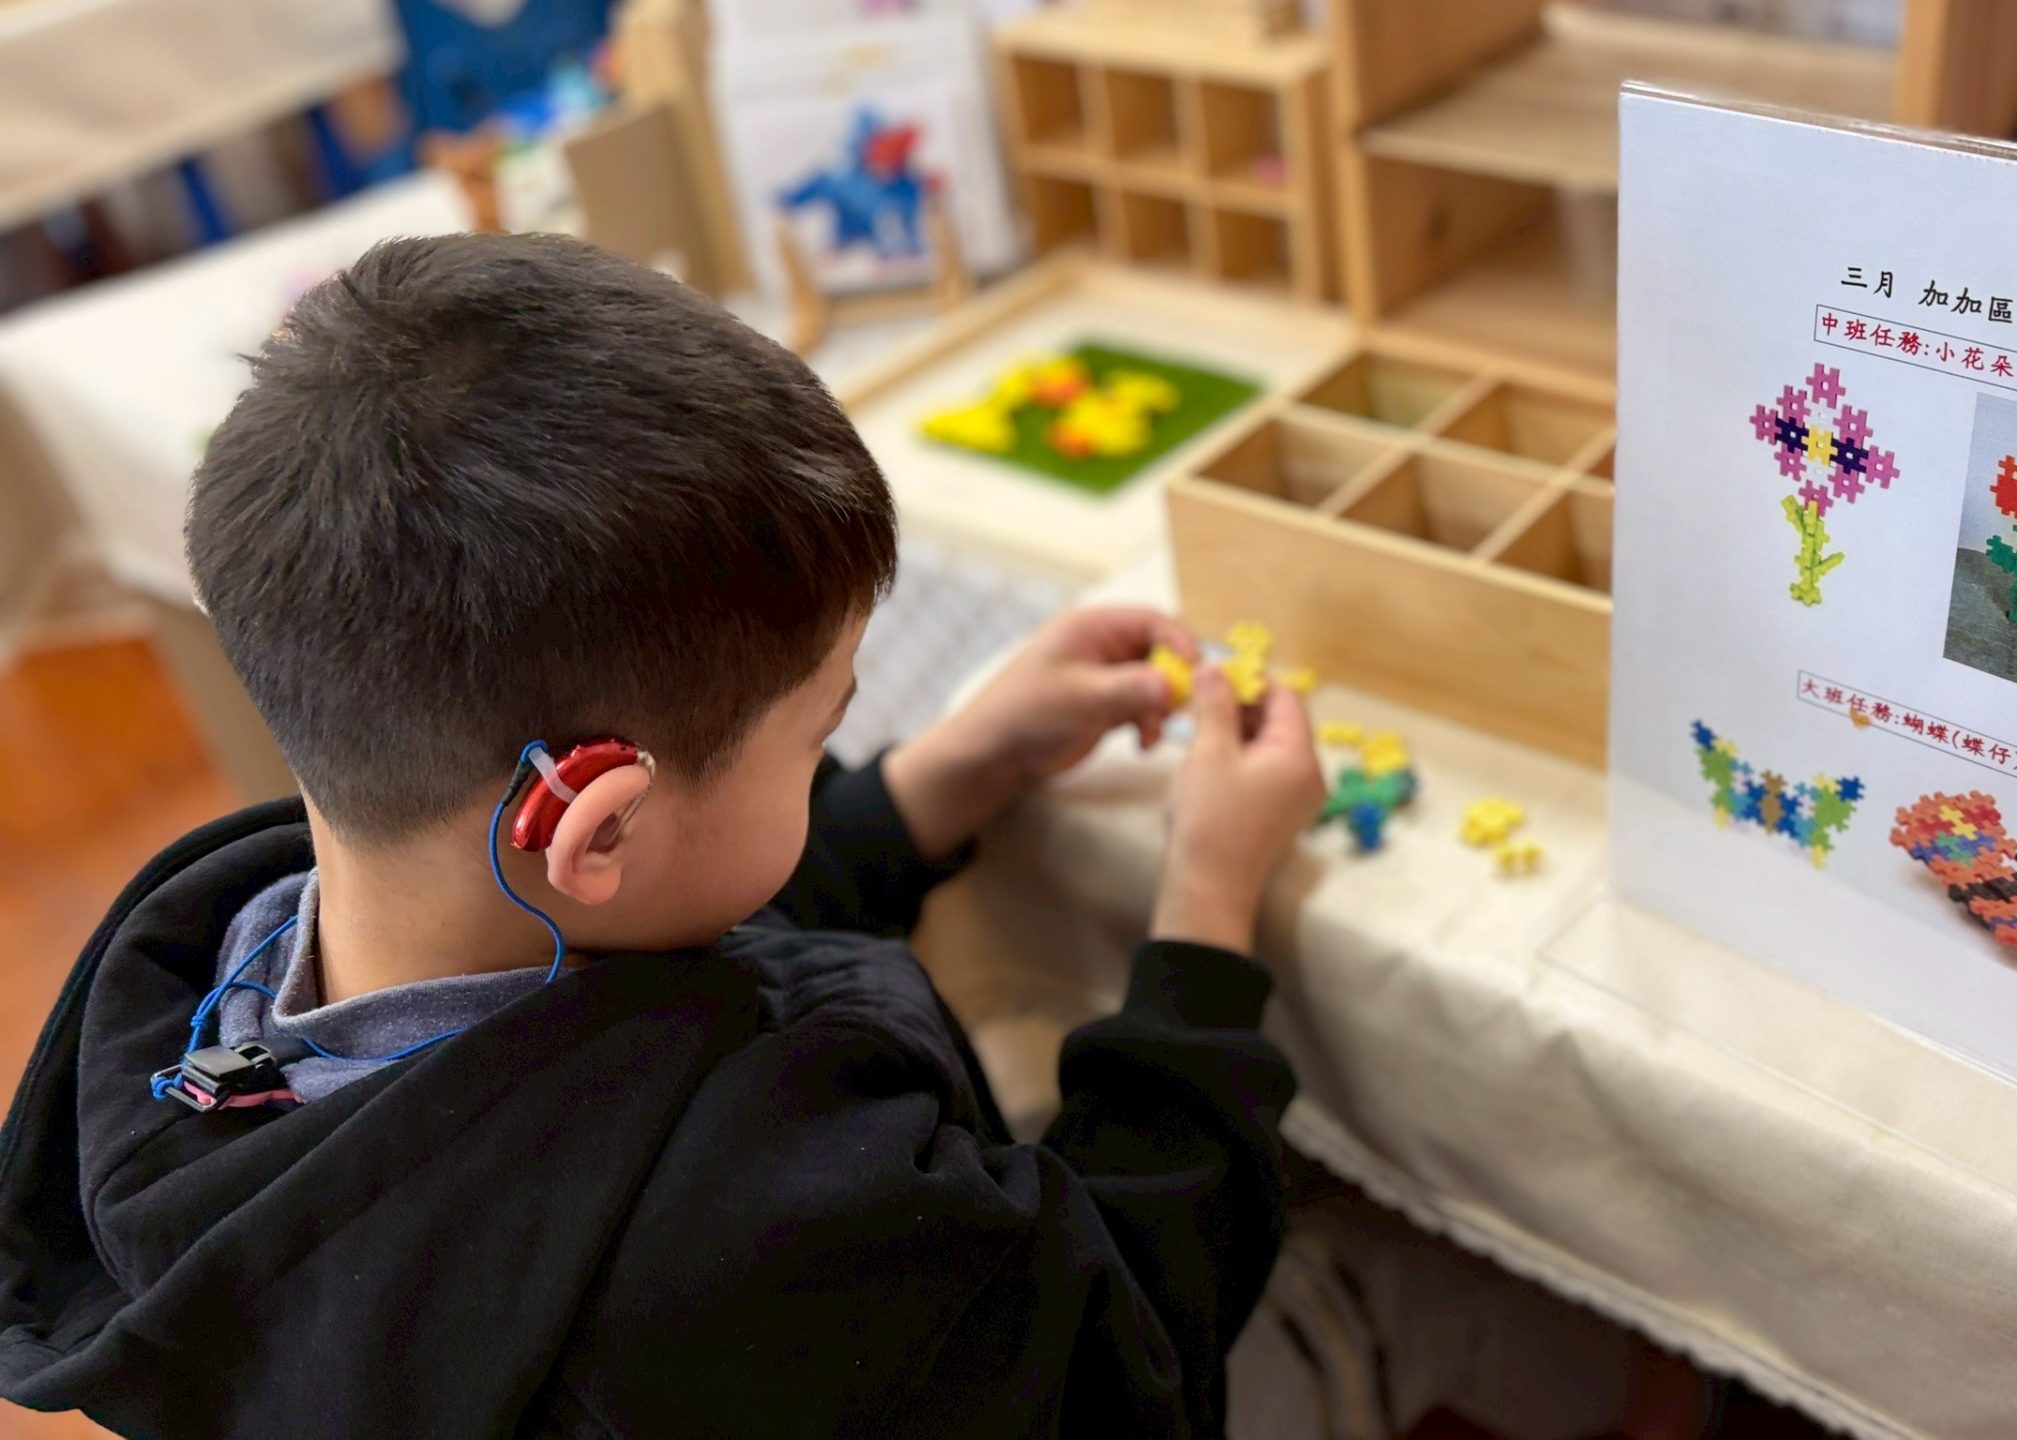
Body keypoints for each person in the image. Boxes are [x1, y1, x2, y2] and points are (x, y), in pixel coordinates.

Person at [0, 232, 1325, 1437]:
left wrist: (945, 775)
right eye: (817, 733)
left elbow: (653, 933)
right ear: (590, 824)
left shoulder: (196, 980)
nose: (829, 749)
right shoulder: (770, 1226)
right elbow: (1125, 1336)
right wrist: (1207, 907)